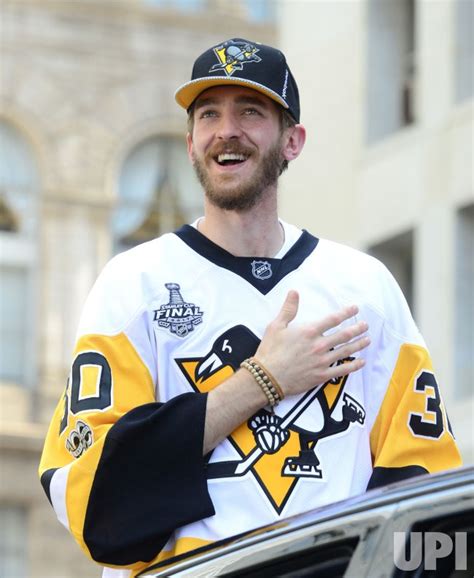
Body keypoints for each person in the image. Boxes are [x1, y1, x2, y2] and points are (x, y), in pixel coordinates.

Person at [39, 38, 462, 578]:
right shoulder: (134, 284)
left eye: (251, 112)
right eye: (209, 114)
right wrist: (262, 380)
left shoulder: (365, 288)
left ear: (293, 140)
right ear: (191, 142)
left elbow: (427, 500)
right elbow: (93, 507)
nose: (227, 130)